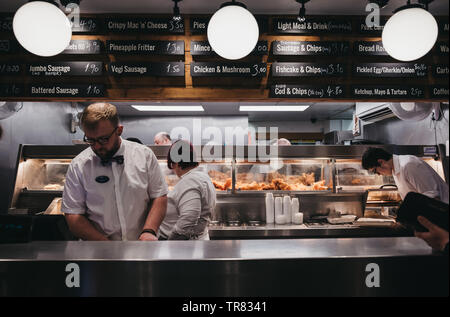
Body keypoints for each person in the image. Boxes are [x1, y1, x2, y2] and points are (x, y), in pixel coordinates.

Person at [62, 103, 168, 241]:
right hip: (97, 250)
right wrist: (104, 243)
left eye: (103, 139)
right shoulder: (79, 165)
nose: (98, 146)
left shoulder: (144, 155)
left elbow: (159, 197)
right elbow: (73, 215)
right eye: (91, 140)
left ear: (119, 130)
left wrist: (149, 231)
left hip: (142, 247)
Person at [158, 140, 216, 240]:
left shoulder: (190, 181)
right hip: (195, 242)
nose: (173, 169)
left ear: (176, 161)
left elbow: (188, 220)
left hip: (182, 247)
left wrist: (170, 244)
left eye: (172, 165)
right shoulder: (202, 177)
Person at [362, 147, 449, 204]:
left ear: (381, 162)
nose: (378, 175)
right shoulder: (395, 170)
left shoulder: (409, 165)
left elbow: (433, 198)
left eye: (375, 171)